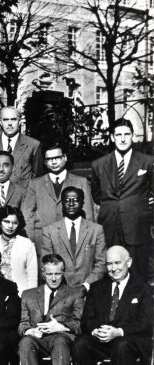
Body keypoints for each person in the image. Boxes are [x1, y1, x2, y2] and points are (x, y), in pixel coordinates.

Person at [72, 246, 153, 365]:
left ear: (128, 262)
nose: (113, 268)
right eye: (109, 264)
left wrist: (118, 331)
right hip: (102, 338)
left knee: (122, 345)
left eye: (118, 263)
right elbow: (87, 318)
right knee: (81, 343)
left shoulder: (142, 288)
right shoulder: (97, 287)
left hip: (129, 339)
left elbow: (146, 322)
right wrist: (95, 330)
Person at [18, 254, 84, 365]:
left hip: (61, 337)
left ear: (63, 273)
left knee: (60, 342)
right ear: (43, 273)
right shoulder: (29, 294)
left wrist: (60, 327)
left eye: (58, 273)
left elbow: (79, 323)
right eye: (49, 274)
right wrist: (30, 330)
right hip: (37, 338)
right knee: (25, 342)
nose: (53, 278)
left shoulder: (74, 293)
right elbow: (22, 324)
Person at [90, 119, 154, 282]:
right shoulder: (99, 164)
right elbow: (97, 195)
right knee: (111, 273)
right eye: (118, 135)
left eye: (127, 134)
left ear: (133, 136)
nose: (123, 139)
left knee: (139, 276)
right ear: (112, 137)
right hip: (110, 226)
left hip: (137, 227)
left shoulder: (147, 162)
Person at [38, 187, 107, 289]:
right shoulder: (49, 231)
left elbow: (101, 264)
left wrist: (86, 285)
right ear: (62, 203)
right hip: (60, 291)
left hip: (89, 291)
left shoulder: (96, 230)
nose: (71, 203)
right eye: (67, 200)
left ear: (82, 203)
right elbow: (45, 265)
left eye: (75, 200)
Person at [27, 143, 94, 232]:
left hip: (71, 237)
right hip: (42, 237)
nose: (54, 162)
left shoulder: (81, 182)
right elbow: (28, 215)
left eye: (57, 158)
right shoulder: (34, 184)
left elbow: (88, 215)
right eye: (49, 159)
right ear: (45, 162)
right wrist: (30, 240)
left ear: (65, 158)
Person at [0, 206, 38, 295]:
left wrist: (29, 299)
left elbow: (32, 277)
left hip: (20, 295)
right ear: (0, 222)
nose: (10, 226)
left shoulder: (27, 244)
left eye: (15, 223)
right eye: (6, 221)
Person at [0, 106, 42, 184]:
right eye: (6, 120)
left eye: (13, 119)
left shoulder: (33, 145)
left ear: (19, 122)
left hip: (22, 194)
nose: (9, 123)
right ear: (0, 122)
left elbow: (37, 176)